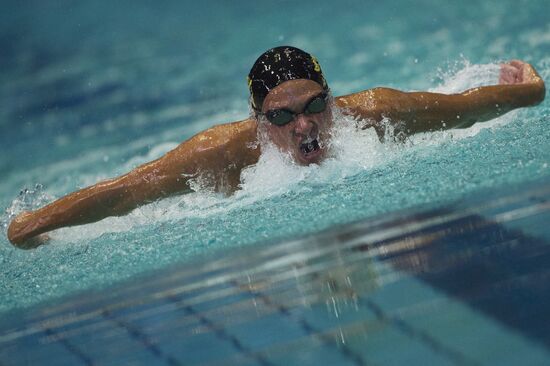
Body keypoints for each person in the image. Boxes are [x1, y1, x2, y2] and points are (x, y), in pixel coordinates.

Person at [7, 46, 546, 248]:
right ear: (259, 121)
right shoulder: (219, 154)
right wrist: (36, 223)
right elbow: (123, 195)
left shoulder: (374, 112)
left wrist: (526, 90)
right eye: (281, 117)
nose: (303, 127)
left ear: (332, 98)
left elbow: (464, 109)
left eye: (315, 106)